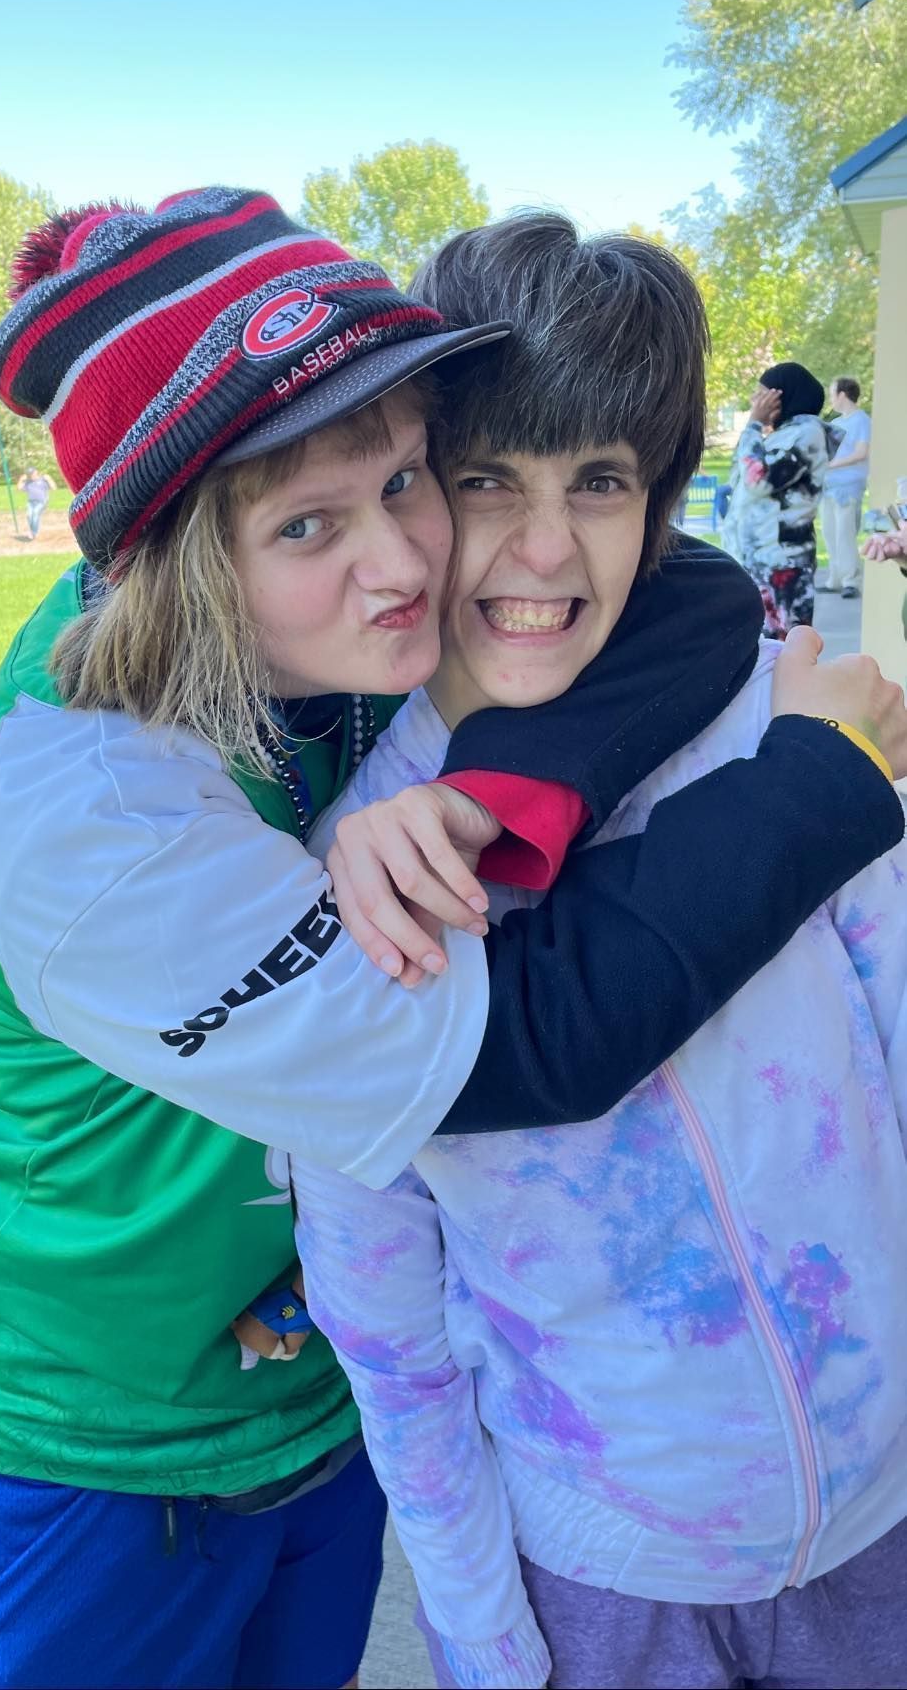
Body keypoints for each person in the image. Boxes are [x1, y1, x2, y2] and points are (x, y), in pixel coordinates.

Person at [0, 190, 904, 1690]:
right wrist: (818, 779)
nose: (406, 563)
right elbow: (530, 1038)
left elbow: (664, 585)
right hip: (81, 1423)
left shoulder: (347, 633)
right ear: (174, 548)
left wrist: (504, 782)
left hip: (316, 1404)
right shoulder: (91, 823)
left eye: (408, 480)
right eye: (308, 520)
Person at [291, 214, 907, 1690]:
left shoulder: (801, 730)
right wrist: (484, 1634)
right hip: (601, 1586)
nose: (544, 548)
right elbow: (389, 1330)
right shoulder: (365, 872)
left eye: (601, 482)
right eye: (487, 478)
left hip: (883, 1531)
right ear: (410, 490)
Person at [723, 362, 833, 638]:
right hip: (759, 560)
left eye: (760, 394)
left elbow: (757, 480)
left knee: (782, 652)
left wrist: (753, 424)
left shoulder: (807, 433)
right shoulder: (780, 436)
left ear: (780, 397)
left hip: (782, 564)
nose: (754, 401)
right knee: (758, 649)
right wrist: (754, 429)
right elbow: (740, 470)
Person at [820, 377, 872, 600]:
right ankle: (835, 579)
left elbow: (861, 453)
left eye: (833, 393)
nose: (831, 398)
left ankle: (851, 581)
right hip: (829, 486)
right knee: (830, 534)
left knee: (845, 535)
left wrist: (830, 465)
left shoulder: (862, 421)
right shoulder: (838, 423)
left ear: (842, 394)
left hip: (848, 488)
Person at [17, 463, 53, 538]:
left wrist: (49, 479)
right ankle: (32, 531)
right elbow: (19, 488)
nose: (31, 476)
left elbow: (53, 487)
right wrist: (21, 480)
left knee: (35, 515)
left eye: (32, 473)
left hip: (41, 502)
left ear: (36, 472)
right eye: (29, 474)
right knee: (29, 516)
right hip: (31, 502)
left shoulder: (43, 480)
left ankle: (33, 532)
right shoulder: (28, 482)